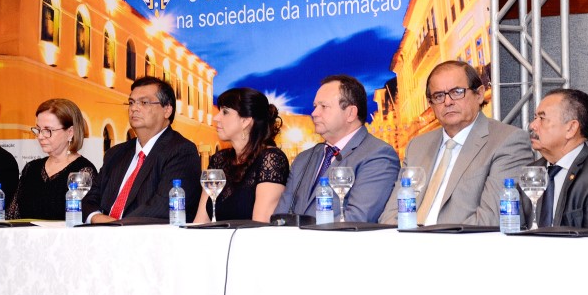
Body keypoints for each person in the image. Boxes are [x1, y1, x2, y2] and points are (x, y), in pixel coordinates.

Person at [379, 60, 534, 226]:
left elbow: (493, 220)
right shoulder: (417, 146)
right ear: (431, 104)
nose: (448, 102)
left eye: (457, 92)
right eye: (438, 96)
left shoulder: (507, 142)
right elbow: (391, 214)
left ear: (479, 94)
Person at [274, 74, 400, 223]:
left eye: (324, 106)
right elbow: (280, 218)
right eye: (315, 106)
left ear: (350, 113)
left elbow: (357, 219)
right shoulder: (303, 159)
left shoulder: (378, 155)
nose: (314, 113)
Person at [82, 76, 201, 223]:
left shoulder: (181, 151)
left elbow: (162, 207)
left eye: (144, 102)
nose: (134, 108)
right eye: (131, 102)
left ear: (167, 110)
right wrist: (96, 217)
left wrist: (114, 226)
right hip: (101, 236)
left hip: (150, 241)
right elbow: (89, 198)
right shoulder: (116, 153)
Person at [524, 88, 588, 230]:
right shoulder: (530, 173)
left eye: (541, 118)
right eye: (535, 117)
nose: (532, 125)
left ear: (571, 128)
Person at [194, 88, 289, 223]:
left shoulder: (271, 159)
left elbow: (261, 225)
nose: (216, 118)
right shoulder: (219, 160)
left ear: (245, 121)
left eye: (225, 112)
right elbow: (201, 221)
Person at [7, 98, 97, 220]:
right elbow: (12, 216)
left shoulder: (83, 172)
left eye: (47, 130)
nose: (40, 136)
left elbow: (83, 219)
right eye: (38, 129)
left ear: (70, 132)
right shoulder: (31, 168)